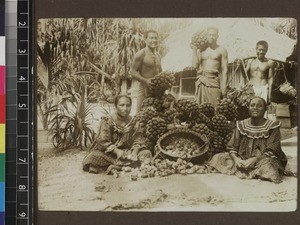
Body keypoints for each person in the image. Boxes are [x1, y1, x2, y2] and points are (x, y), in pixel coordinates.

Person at [209, 97, 288, 183]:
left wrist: (255, 160)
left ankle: (253, 171)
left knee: (269, 166)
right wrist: (237, 160)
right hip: (243, 159)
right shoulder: (241, 125)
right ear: (248, 108)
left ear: (265, 109)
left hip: (262, 160)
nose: (255, 108)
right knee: (217, 158)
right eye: (252, 105)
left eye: (259, 106)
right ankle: (248, 169)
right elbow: (232, 147)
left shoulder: (272, 126)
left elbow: (272, 150)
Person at [82, 95, 152, 174]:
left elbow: (138, 139)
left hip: (128, 152)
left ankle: (113, 166)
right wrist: (116, 151)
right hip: (109, 154)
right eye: (122, 105)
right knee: (93, 157)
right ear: (115, 106)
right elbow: (103, 141)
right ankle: (123, 166)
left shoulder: (134, 121)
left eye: (128, 105)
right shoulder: (107, 120)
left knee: (146, 153)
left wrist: (134, 152)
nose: (125, 109)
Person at [191, 26, 228, 107]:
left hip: (214, 81)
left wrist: (224, 86)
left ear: (217, 36)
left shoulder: (222, 50)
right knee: (200, 108)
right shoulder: (201, 50)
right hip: (202, 81)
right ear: (206, 36)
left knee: (215, 106)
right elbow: (194, 65)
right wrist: (194, 50)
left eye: (214, 35)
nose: (212, 37)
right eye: (210, 35)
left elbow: (224, 69)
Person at [130, 30, 162, 112]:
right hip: (144, 88)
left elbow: (161, 72)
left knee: (158, 114)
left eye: (155, 38)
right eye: (151, 38)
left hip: (157, 89)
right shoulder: (141, 54)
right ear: (145, 39)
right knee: (140, 114)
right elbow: (132, 71)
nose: (154, 40)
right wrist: (145, 80)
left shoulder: (158, 55)